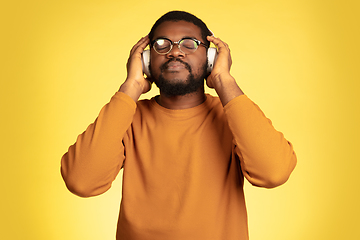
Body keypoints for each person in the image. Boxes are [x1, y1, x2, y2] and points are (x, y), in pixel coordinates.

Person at [61, 10, 297, 240]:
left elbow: (273, 173)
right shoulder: (126, 117)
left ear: (210, 58)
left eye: (189, 44)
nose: (175, 52)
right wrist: (131, 86)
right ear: (145, 60)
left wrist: (224, 80)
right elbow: (81, 182)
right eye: (161, 45)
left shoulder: (232, 116)